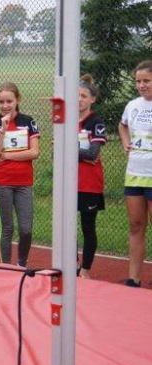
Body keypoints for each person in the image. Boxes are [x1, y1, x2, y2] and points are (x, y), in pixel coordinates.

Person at [0, 82, 40, 268]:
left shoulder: (28, 121)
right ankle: (6, 267)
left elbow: (34, 153)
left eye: (9, 101)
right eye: (1, 101)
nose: (5, 105)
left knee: (26, 229)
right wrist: (3, 131)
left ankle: (22, 263)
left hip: (24, 182)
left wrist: (6, 155)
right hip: (2, 182)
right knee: (7, 227)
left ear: (17, 100)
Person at [118, 59, 152, 288]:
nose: (142, 85)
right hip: (135, 173)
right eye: (138, 81)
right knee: (136, 225)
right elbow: (122, 125)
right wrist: (125, 143)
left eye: (146, 81)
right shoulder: (133, 105)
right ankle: (134, 278)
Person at [75, 75, 108, 279]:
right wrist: (80, 153)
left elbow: (93, 154)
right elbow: (54, 154)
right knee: (67, 228)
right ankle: (72, 265)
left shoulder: (96, 122)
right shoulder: (66, 120)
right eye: (76, 95)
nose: (79, 99)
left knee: (88, 227)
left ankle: (85, 270)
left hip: (89, 184)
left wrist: (68, 148)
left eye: (84, 96)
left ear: (92, 99)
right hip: (69, 184)